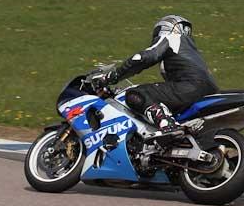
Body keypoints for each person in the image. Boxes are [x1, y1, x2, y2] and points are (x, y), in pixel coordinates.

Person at [89, 14, 218, 137]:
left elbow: (143, 58)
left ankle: (168, 125)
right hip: (209, 90)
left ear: (167, 27)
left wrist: (112, 76)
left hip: (189, 87)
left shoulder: (171, 37)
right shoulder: (192, 51)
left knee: (136, 94)